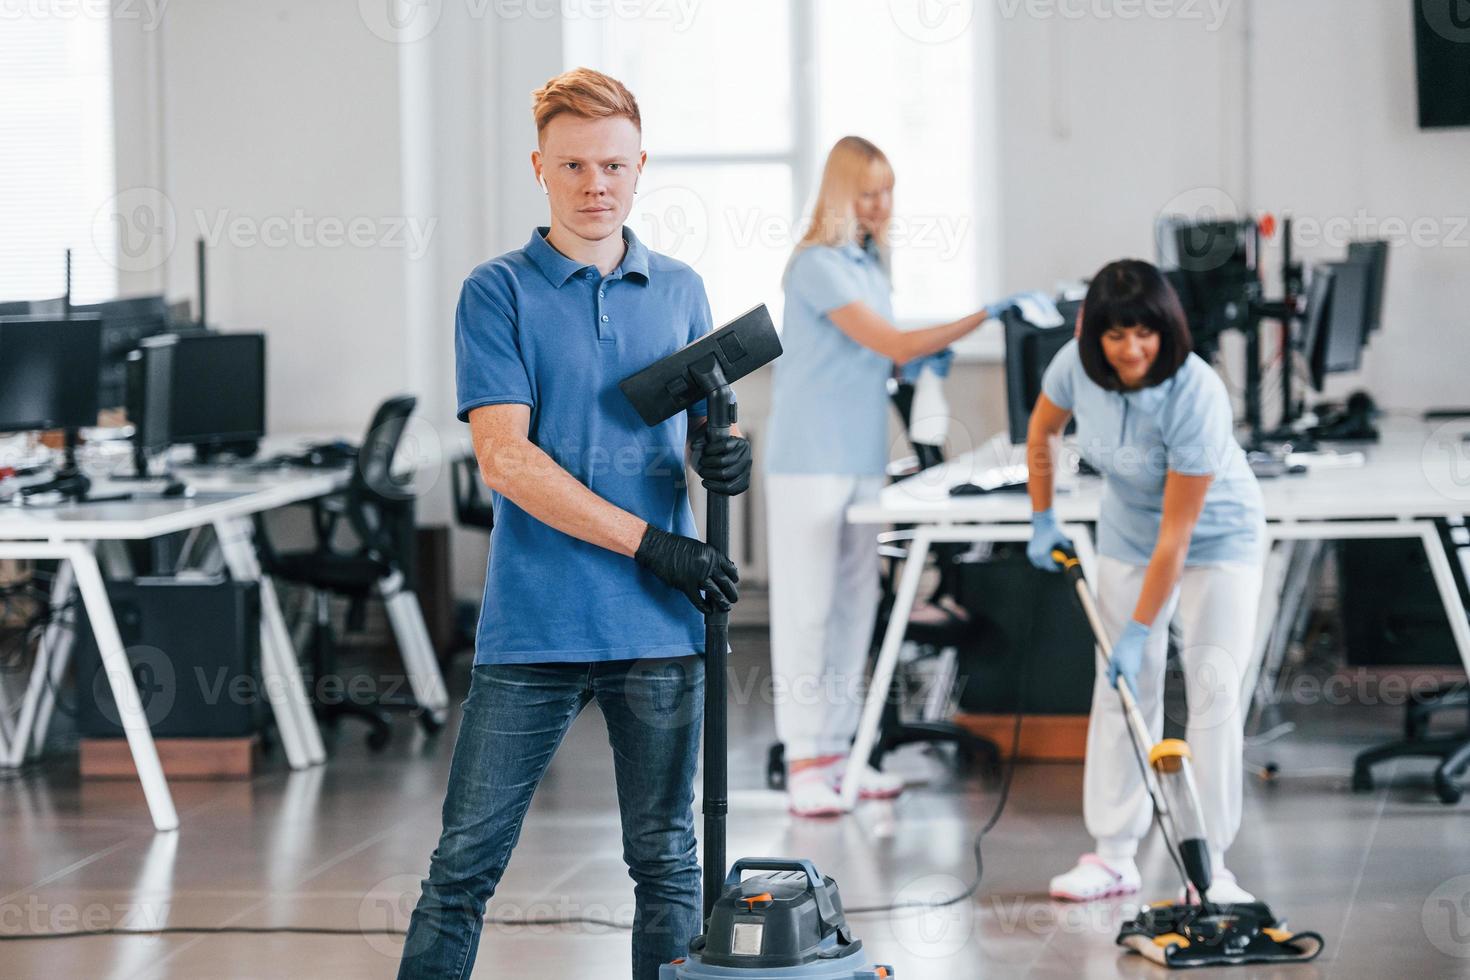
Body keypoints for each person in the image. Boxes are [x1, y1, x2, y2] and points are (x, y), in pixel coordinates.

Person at [397, 68, 752, 980]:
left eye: (613, 165)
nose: (596, 185)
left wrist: (727, 456)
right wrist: (653, 544)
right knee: (463, 868)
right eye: (574, 166)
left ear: (640, 169)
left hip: (658, 628)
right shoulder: (498, 292)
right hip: (536, 624)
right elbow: (507, 459)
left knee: (669, 867)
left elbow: (707, 426)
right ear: (539, 169)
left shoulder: (680, 290)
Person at [764, 135, 1036, 818]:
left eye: (887, 191)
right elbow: (893, 343)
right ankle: (801, 759)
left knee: (856, 607)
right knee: (807, 611)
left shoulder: (868, 268)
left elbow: (883, 363)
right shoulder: (817, 266)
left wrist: (917, 370)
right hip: (806, 461)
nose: (881, 205)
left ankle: (842, 754)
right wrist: (986, 316)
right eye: (867, 192)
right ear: (838, 194)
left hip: (859, 459)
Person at [1025, 259, 1265, 904]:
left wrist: (1136, 630)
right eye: (1115, 334)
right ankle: (1113, 855)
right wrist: (1042, 515)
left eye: (1145, 333)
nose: (1131, 349)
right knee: (1124, 691)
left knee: (1213, 688)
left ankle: (1210, 869)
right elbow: (1043, 430)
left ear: (1167, 329)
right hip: (1130, 534)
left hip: (1218, 539)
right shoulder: (1076, 367)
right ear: (1092, 334)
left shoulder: (1196, 393)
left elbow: (1178, 537)